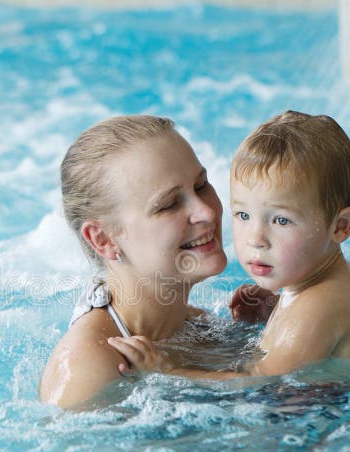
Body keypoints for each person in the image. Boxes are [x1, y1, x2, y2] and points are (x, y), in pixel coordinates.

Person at [109, 110, 350, 376]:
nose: (255, 239)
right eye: (243, 215)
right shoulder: (338, 278)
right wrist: (274, 311)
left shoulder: (317, 308)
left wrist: (170, 369)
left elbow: (258, 382)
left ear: (340, 226)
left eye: (281, 220)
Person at [40, 115, 236, 408]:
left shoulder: (197, 322)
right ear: (104, 240)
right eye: (169, 205)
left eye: (201, 185)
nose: (206, 212)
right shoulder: (88, 371)